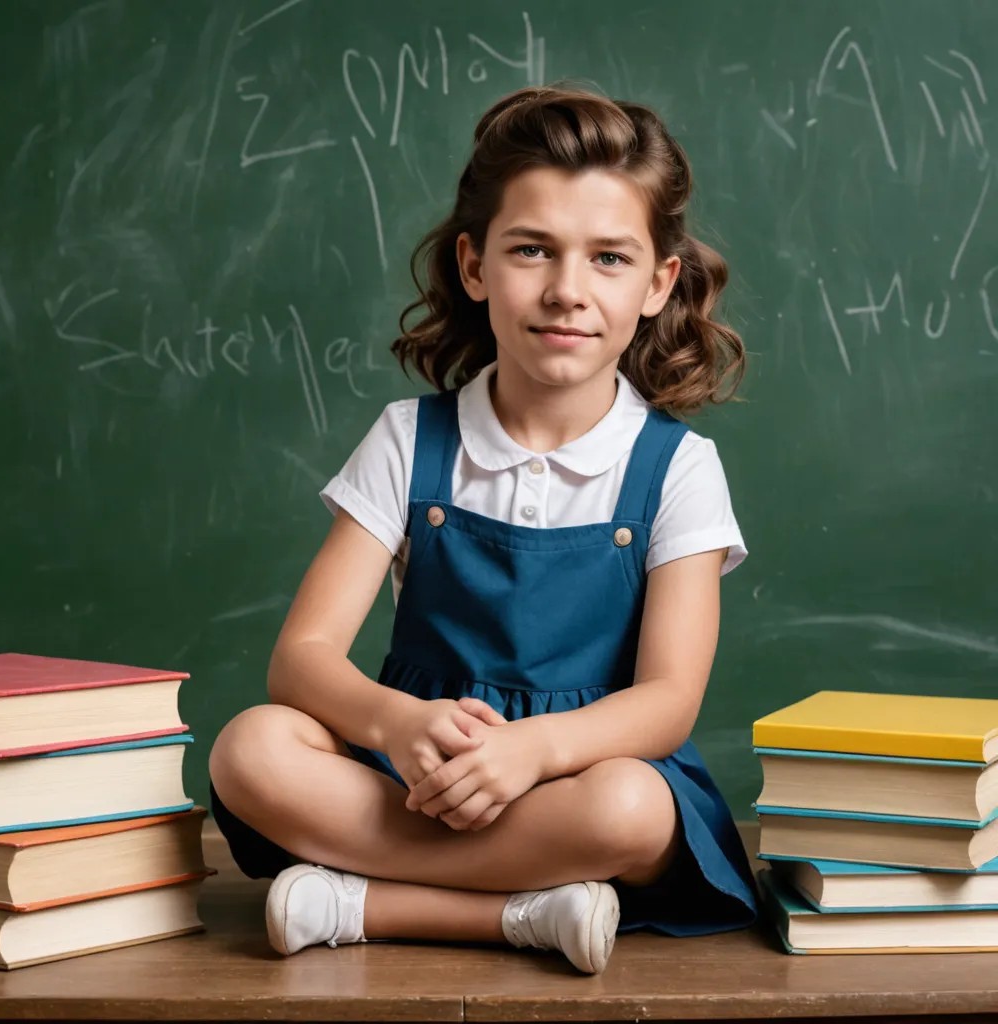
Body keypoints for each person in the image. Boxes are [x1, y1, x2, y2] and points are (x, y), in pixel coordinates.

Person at [208, 84, 757, 975]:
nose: (567, 290)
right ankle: (524, 912)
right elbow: (300, 657)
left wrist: (536, 750)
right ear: (474, 266)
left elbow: (666, 702)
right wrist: (394, 724)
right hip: (417, 774)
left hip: (574, 780)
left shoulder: (677, 469)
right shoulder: (407, 439)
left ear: (660, 282)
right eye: (531, 250)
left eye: (609, 258)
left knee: (631, 810)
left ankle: (363, 905)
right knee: (251, 749)